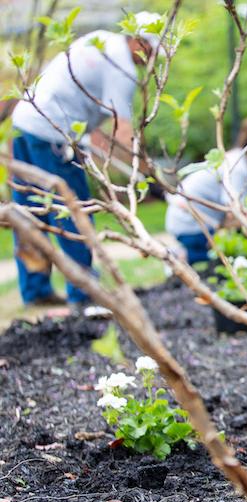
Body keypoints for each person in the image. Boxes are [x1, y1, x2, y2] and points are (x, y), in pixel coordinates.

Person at [10, 12, 163, 307]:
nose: (151, 60)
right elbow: (123, 131)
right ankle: (85, 295)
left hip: (24, 123)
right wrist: (147, 175)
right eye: (152, 51)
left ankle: (36, 290)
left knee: (29, 213)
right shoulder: (122, 68)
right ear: (139, 42)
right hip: (52, 135)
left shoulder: (100, 41)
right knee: (75, 212)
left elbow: (95, 117)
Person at [164, 118, 247, 265]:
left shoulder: (236, 159)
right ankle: (180, 256)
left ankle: (184, 254)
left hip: (186, 219)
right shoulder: (238, 168)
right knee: (229, 256)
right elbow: (235, 212)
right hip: (190, 224)